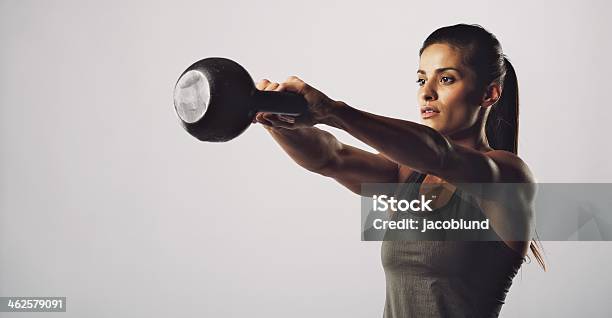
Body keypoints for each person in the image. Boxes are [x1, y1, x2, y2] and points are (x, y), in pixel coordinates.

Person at [253, 24, 546, 317]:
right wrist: (276, 119)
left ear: (489, 94)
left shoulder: (508, 175)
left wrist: (333, 111)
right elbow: (331, 157)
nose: (427, 93)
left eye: (446, 79)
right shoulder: (407, 174)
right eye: (421, 80)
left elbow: (440, 155)